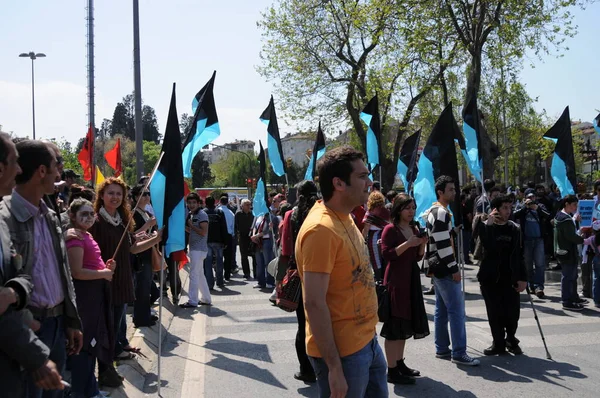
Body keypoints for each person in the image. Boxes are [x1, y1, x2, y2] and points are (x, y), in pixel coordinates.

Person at [296, 146, 386, 398]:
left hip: (367, 341)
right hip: (344, 354)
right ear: (338, 183)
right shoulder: (320, 230)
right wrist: (334, 368)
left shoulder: (344, 216)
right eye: (362, 176)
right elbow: (313, 303)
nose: (369, 183)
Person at [0, 139, 84, 398]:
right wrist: (26, 320)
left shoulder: (49, 215)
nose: (60, 173)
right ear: (42, 171)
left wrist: (70, 319)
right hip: (28, 328)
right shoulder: (6, 218)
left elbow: (61, 272)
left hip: (57, 324)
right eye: (56, 165)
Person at [88, 177, 161, 384]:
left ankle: (109, 366)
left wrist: (156, 238)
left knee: (115, 327)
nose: (115, 197)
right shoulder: (96, 221)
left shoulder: (123, 220)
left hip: (122, 280)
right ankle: (104, 370)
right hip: (102, 282)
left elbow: (132, 248)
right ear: (102, 196)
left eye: (119, 194)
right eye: (110, 193)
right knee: (105, 328)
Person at [426, 175, 480, 366]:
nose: (454, 193)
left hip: (437, 267)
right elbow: (442, 245)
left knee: (441, 310)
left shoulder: (436, 211)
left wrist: (453, 232)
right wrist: (454, 268)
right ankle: (459, 352)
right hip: (444, 268)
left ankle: (442, 348)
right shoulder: (441, 212)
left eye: (454, 189)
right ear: (440, 192)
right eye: (450, 190)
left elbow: (439, 237)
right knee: (456, 311)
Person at [65, 198, 116, 397]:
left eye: (90, 214)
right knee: (83, 346)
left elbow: (93, 265)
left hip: (95, 294)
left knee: (91, 344)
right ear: (72, 217)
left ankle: (91, 390)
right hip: (84, 297)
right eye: (83, 214)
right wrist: (103, 274)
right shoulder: (75, 238)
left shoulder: (86, 235)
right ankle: (81, 392)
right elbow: (77, 272)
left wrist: (105, 268)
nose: (88, 218)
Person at [380, 194, 429, 385]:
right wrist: (409, 243)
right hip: (395, 281)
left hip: (411, 279)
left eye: (413, 207)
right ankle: (391, 370)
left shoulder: (413, 228)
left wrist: (422, 245)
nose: (411, 211)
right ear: (398, 209)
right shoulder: (390, 229)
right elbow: (387, 254)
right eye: (407, 208)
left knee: (404, 325)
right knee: (394, 327)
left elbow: (417, 257)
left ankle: (400, 364)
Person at [277, 180, 319, 383]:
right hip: (324, 274)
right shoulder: (323, 212)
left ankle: (306, 369)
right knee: (324, 321)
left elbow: (285, 251)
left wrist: (280, 280)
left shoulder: (289, 215)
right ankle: (324, 366)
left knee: (303, 325)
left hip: (300, 274)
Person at [475, 195, 528, 355]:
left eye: (509, 207)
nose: (508, 211)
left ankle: (511, 339)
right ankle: (498, 342)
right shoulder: (485, 227)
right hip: (490, 277)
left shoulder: (515, 228)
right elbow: (487, 246)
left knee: (512, 313)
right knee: (494, 312)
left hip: (510, 277)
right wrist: (489, 225)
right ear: (495, 210)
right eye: (504, 208)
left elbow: (520, 254)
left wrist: (523, 278)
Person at [131, 184, 160, 327]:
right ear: (136, 197)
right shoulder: (133, 214)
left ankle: (145, 314)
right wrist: (148, 225)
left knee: (147, 288)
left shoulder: (146, 213)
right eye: (143, 194)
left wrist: (153, 233)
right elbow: (133, 235)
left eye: (148, 194)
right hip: (140, 256)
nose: (147, 196)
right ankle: (141, 319)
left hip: (148, 252)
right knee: (142, 288)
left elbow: (147, 234)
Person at [513, 194, 550, 298]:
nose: (532, 200)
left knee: (540, 264)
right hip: (526, 239)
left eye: (533, 197)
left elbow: (548, 216)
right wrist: (525, 207)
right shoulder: (522, 206)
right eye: (529, 198)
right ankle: (531, 285)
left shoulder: (540, 206)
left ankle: (539, 287)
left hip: (539, 239)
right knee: (528, 264)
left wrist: (537, 208)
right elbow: (514, 215)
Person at [554, 195, 585, 311]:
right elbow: (570, 236)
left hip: (566, 251)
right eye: (574, 205)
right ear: (566, 204)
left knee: (572, 275)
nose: (575, 207)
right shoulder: (565, 218)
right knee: (568, 276)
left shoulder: (563, 216)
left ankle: (573, 297)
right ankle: (567, 301)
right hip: (567, 251)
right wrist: (582, 239)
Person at [180, 192, 211, 307]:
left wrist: (191, 226)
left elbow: (203, 232)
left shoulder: (202, 214)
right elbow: (193, 231)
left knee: (193, 275)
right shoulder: (192, 214)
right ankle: (206, 298)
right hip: (196, 249)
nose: (191, 205)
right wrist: (185, 227)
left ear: (199, 203)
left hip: (198, 249)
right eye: (189, 203)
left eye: (194, 203)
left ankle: (192, 301)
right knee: (200, 275)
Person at [362, 190, 390, 280]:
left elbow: (366, 229)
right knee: (385, 259)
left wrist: (361, 241)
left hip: (373, 238)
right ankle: (385, 279)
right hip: (385, 237)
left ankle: (379, 281)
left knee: (376, 261)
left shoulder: (370, 212)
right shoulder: (385, 211)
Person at [251, 206, 278, 290]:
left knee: (268, 262)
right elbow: (254, 227)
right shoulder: (258, 216)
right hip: (258, 242)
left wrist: (256, 235)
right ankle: (260, 282)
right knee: (259, 263)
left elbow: (267, 230)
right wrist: (254, 235)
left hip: (267, 241)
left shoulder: (271, 217)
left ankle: (270, 282)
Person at [204, 196, 229, 289]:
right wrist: (225, 241)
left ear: (205, 203)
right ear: (214, 202)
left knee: (208, 263)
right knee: (219, 262)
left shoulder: (203, 213)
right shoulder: (219, 212)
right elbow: (224, 227)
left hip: (207, 241)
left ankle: (210, 284)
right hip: (218, 241)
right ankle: (220, 281)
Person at [235, 199, 255, 279]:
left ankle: (256, 273)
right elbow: (236, 226)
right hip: (242, 237)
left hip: (252, 237)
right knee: (244, 256)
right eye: (246, 204)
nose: (248, 206)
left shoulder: (253, 214)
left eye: (249, 204)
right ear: (242, 206)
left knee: (254, 255)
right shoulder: (238, 214)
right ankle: (246, 273)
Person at [218, 196, 236, 282]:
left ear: (220, 202)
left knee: (218, 256)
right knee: (228, 256)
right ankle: (227, 275)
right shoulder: (231, 213)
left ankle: (219, 275)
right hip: (228, 236)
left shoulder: (217, 211)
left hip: (219, 236)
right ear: (227, 203)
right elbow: (233, 226)